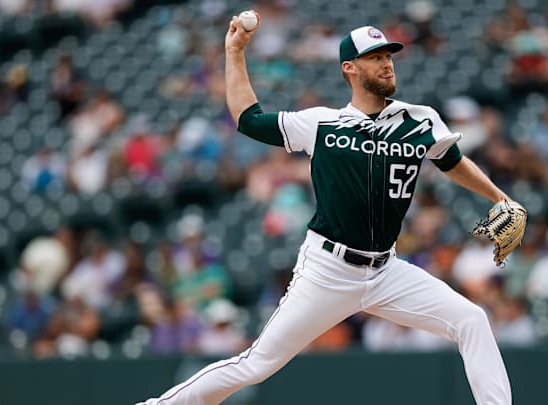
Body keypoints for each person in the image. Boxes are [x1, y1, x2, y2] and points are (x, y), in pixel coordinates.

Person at [138, 14, 518, 405]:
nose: (386, 63)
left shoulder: (419, 120)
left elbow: (451, 159)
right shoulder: (322, 124)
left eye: (388, 55)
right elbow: (248, 120)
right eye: (375, 57)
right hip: (329, 270)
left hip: (387, 270)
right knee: (256, 365)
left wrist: (499, 198)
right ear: (349, 68)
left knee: (471, 319)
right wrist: (234, 52)